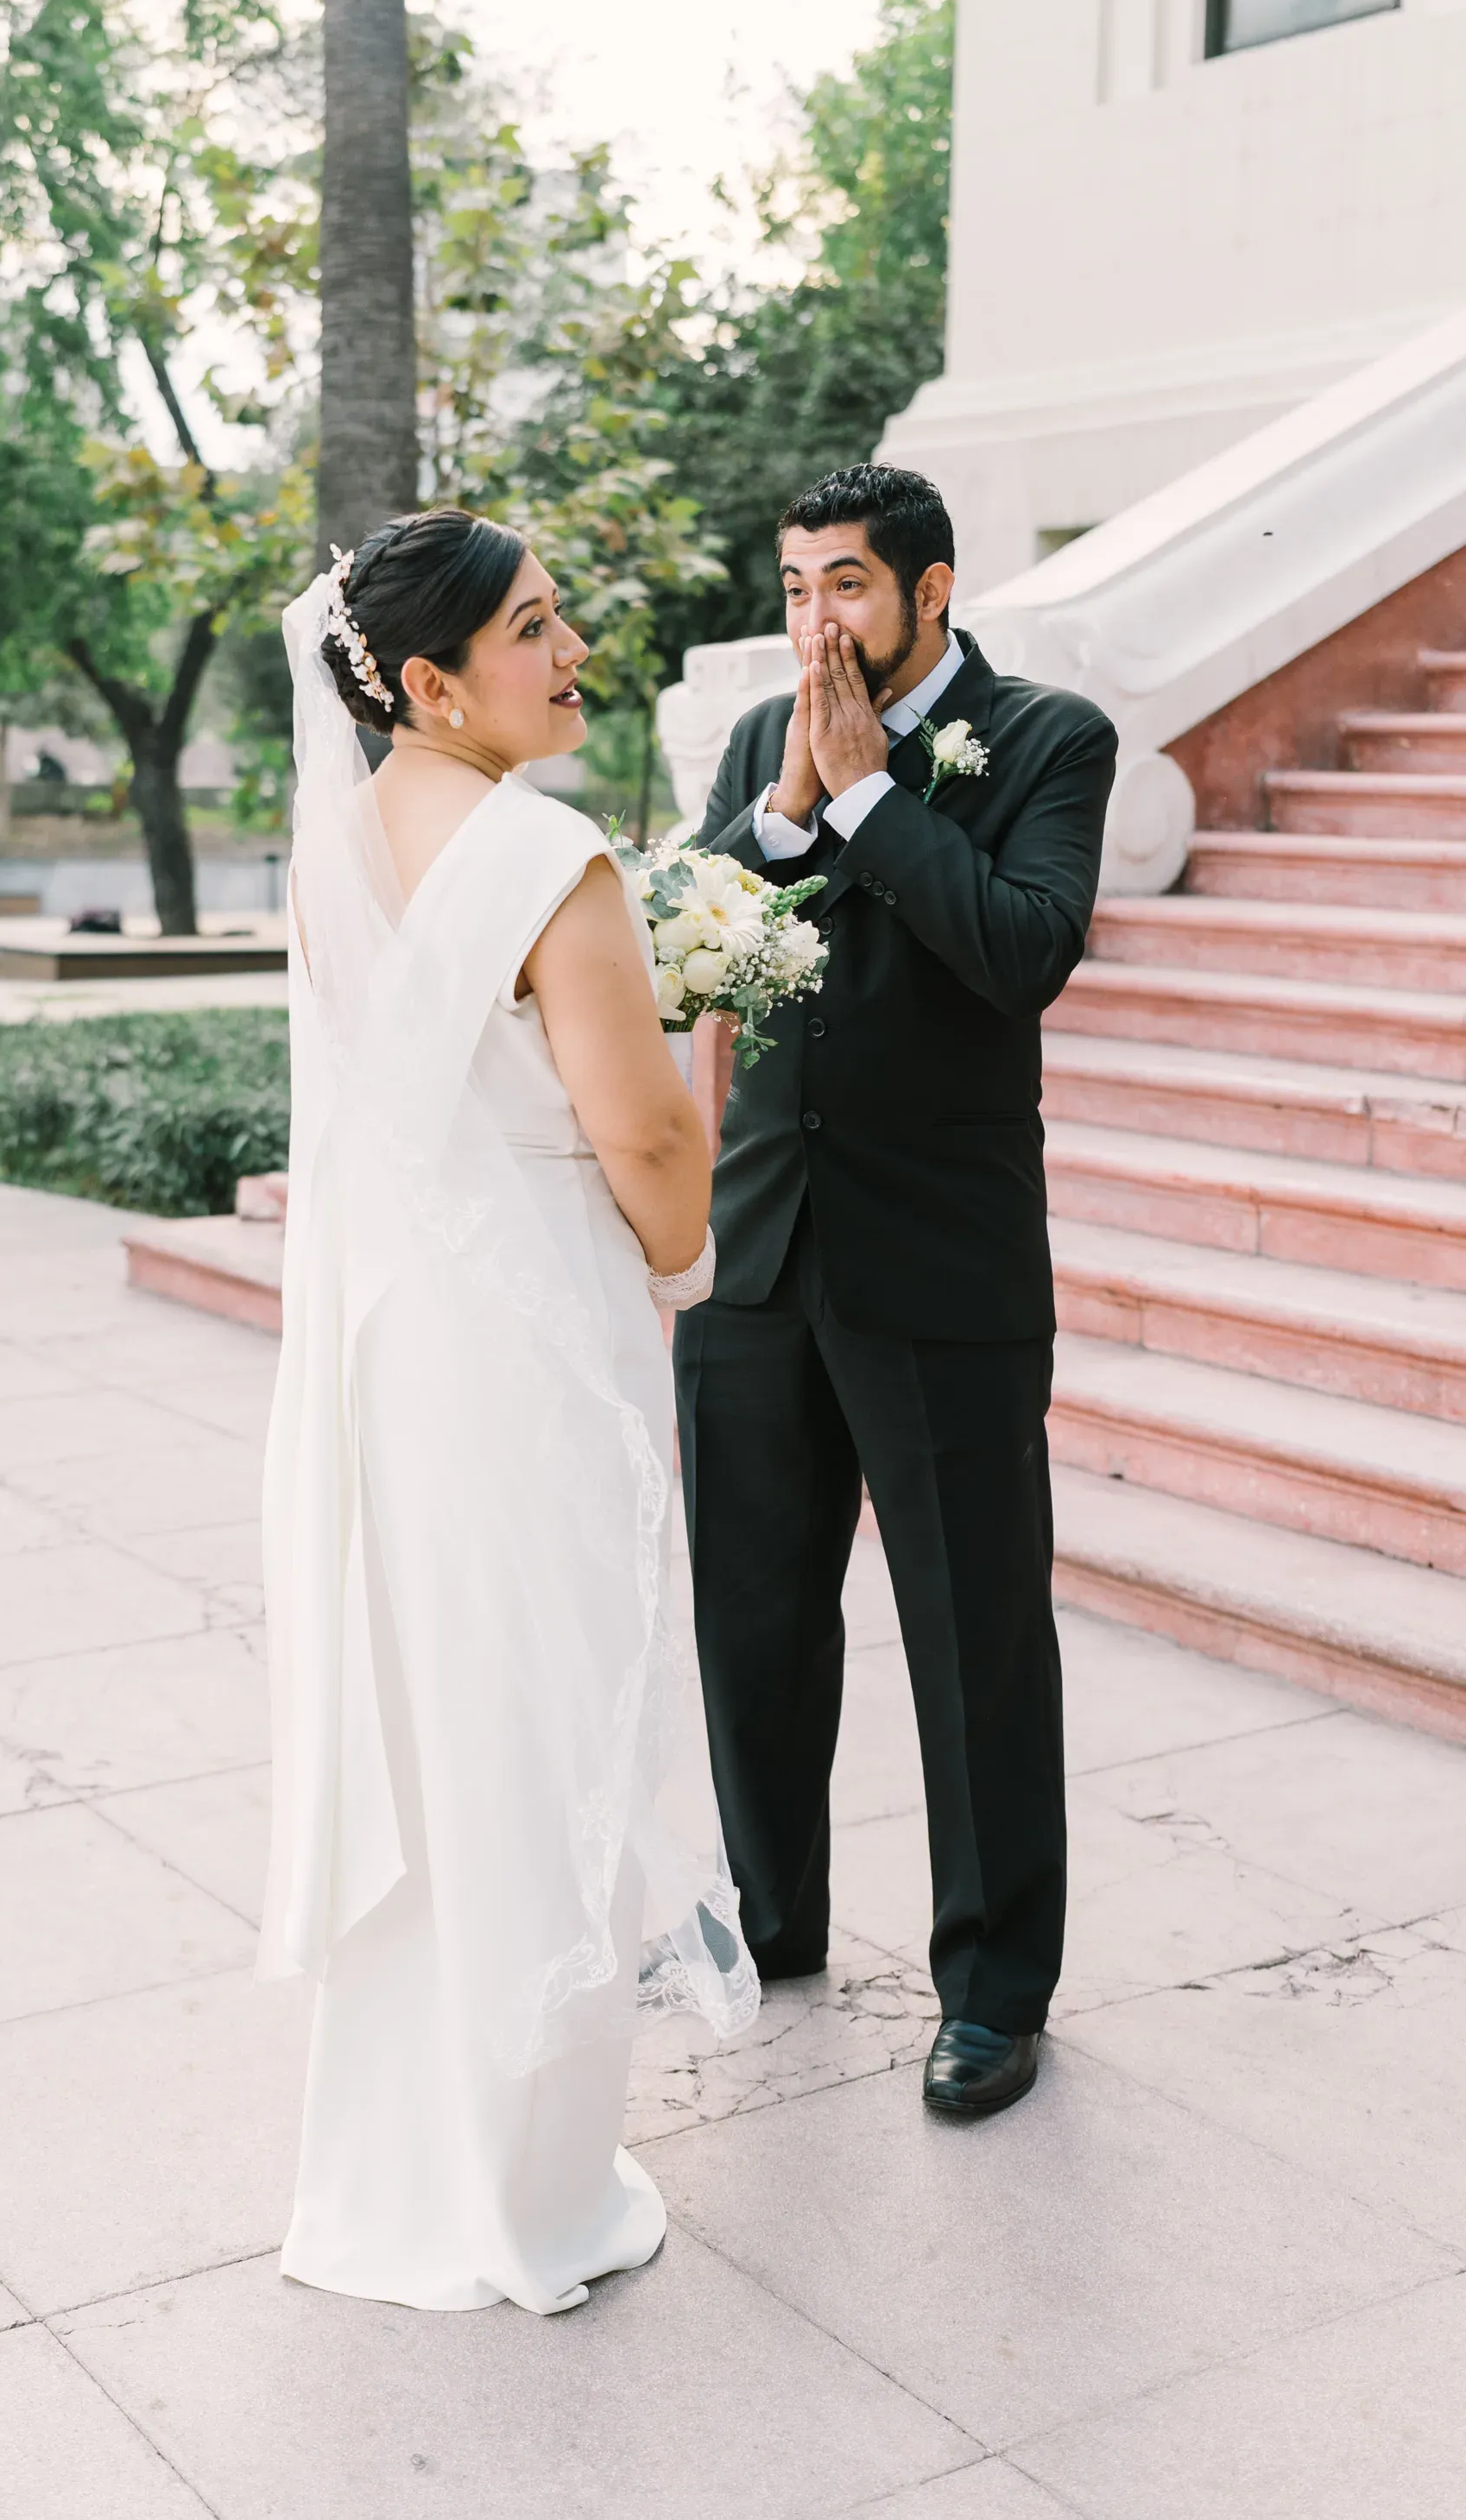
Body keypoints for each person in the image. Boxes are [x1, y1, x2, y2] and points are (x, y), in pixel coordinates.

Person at [259, 508, 756, 2315]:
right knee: (537, 1728)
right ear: (428, 681)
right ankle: (524, 2191)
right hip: (532, 1345)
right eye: (531, 628)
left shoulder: (329, 851)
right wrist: (688, 1255)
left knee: (424, 1723)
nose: (570, 652)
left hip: (395, 1354)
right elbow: (647, 1138)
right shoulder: (548, 856)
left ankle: (394, 2171)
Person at [674, 463, 1116, 2118]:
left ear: (930, 592)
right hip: (758, 1256)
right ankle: (772, 1919)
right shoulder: (755, 741)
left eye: (844, 585)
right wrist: (788, 808)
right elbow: (689, 950)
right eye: (796, 587)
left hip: (942, 1268)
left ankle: (996, 1990)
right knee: (752, 1621)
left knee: (973, 1635)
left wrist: (870, 800)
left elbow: (1022, 949)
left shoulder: (1050, 738)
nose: (815, 620)